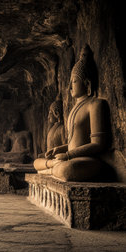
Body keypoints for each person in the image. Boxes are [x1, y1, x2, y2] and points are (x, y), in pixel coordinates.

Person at [33, 45, 111, 182]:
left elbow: (99, 144)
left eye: (74, 81)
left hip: (87, 160)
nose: (69, 87)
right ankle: (53, 167)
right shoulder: (75, 108)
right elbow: (74, 142)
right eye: (69, 82)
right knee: (36, 162)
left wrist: (68, 155)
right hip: (70, 157)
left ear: (87, 84)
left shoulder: (95, 105)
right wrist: (59, 149)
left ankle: (51, 169)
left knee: (67, 169)